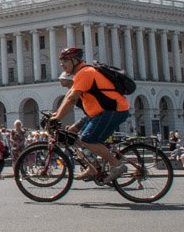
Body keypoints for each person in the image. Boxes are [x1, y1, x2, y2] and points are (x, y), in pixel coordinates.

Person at [49, 47, 128, 183]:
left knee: (88, 139)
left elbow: (72, 99)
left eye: (65, 60)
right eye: (61, 61)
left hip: (112, 110)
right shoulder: (82, 73)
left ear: (75, 60)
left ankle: (117, 165)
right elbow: (69, 96)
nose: (62, 64)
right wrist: (56, 114)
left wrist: (57, 118)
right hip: (103, 112)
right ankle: (93, 167)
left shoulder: (85, 73)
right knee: (82, 139)